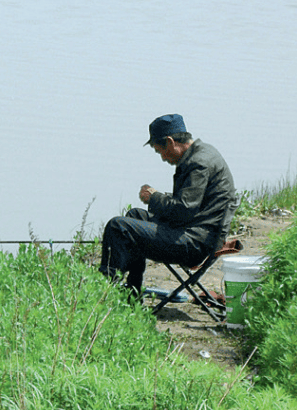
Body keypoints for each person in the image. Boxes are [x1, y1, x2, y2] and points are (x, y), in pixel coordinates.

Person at [99, 114, 239, 298]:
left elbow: (183, 211)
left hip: (195, 244)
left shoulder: (198, 163)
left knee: (118, 226)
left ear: (171, 142)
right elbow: (189, 205)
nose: (163, 158)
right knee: (134, 216)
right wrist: (160, 198)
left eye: (160, 151)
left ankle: (101, 293)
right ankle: (131, 293)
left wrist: (154, 198)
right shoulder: (203, 152)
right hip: (196, 232)